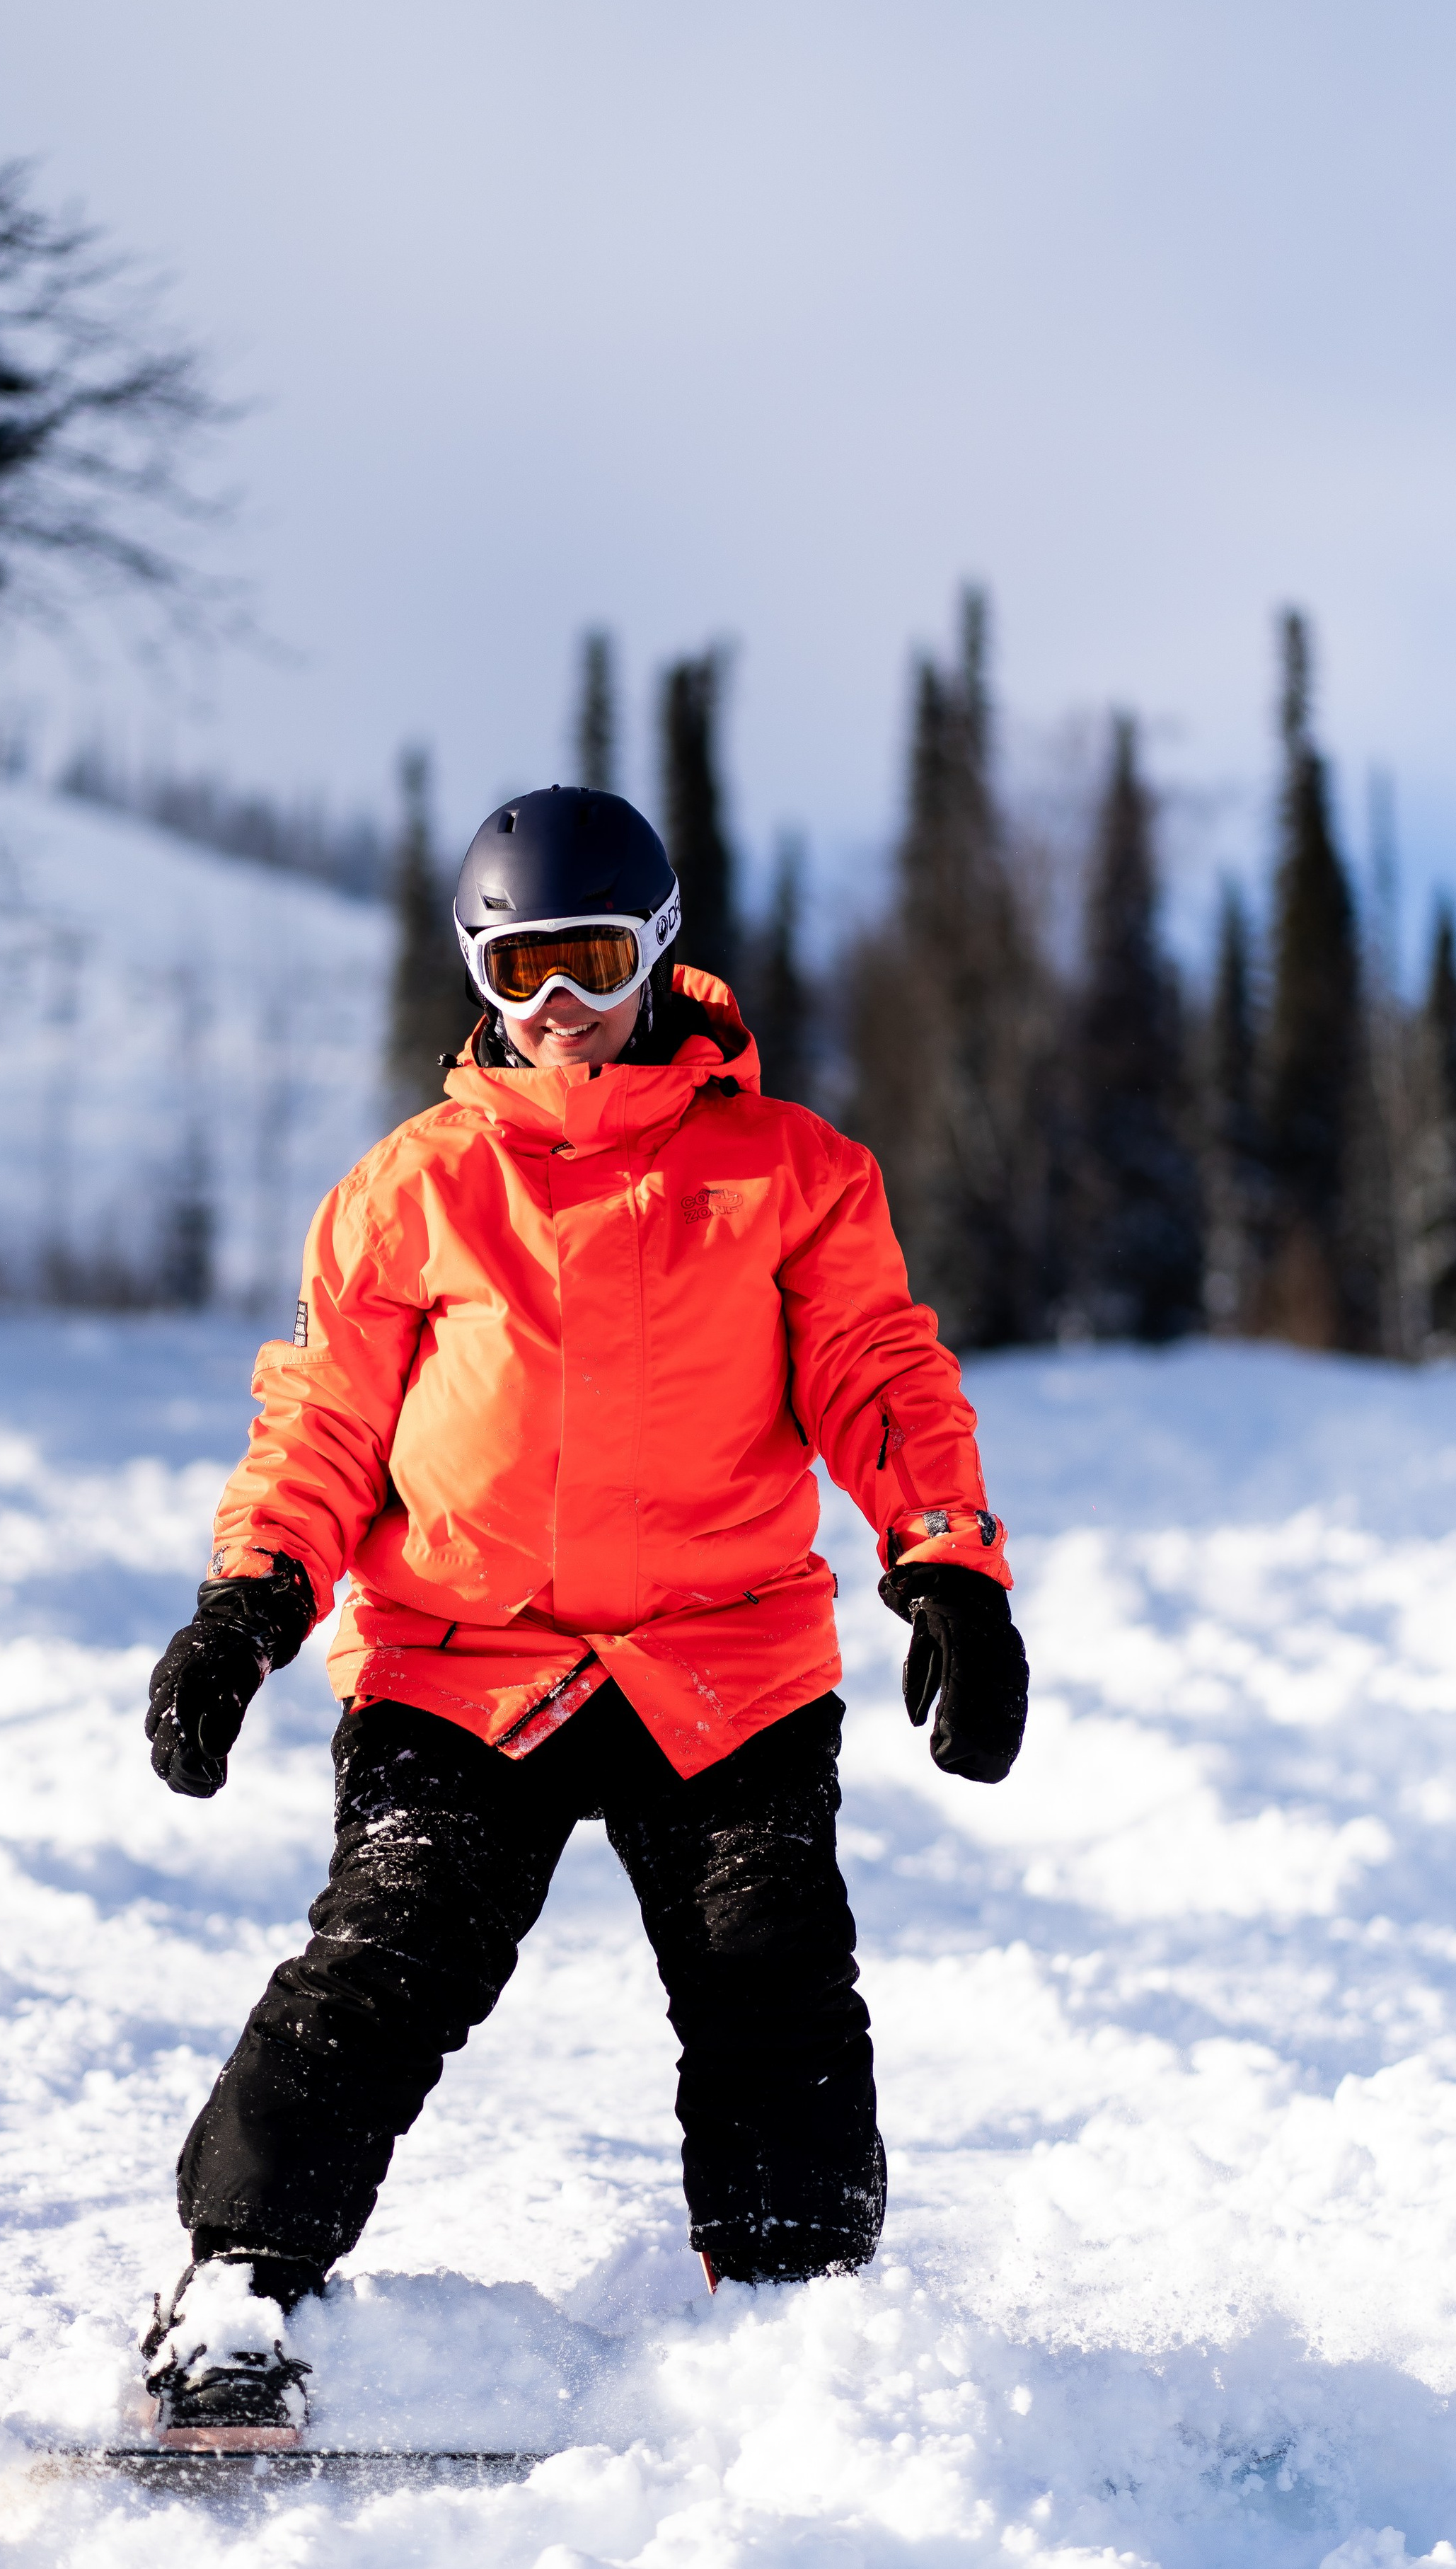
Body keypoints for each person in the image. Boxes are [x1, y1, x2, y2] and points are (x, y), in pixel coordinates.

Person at [139, 786, 1028, 2439]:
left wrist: (948, 1564)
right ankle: (238, 2286)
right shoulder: (411, 1188)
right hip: (462, 1666)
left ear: (659, 955)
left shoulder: (789, 1172)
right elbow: (324, 1418)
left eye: (592, 965)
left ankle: (792, 2319)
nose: (558, 1010)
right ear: (478, 977)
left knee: (771, 1976)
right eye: (519, 973)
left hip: (722, 1660)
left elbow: (875, 1372)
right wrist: (248, 1600)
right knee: (387, 1952)